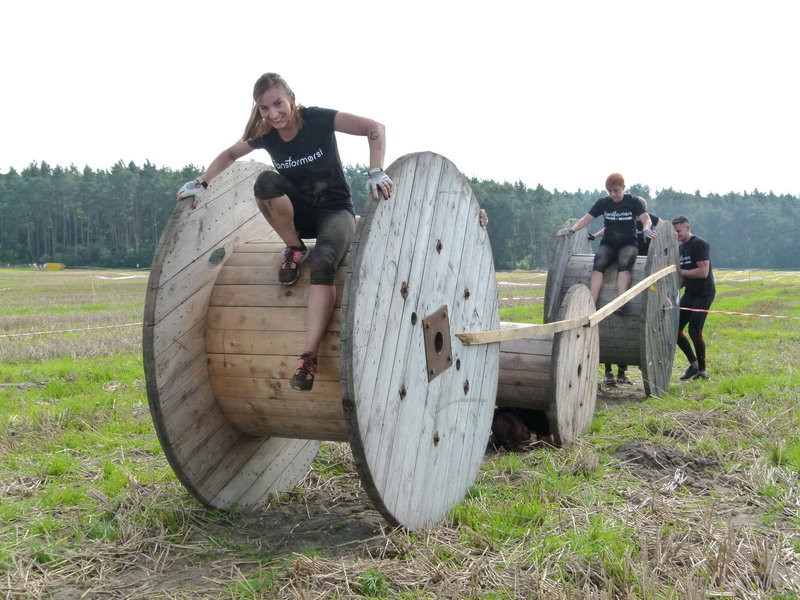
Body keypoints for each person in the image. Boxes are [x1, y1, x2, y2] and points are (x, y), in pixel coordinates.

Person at [176, 72, 393, 391]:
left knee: (324, 265)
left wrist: (376, 170)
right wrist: (202, 182)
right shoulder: (265, 133)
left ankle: (308, 356)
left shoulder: (317, 119)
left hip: (335, 212)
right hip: (300, 214)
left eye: (278, 103)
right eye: (264, 108)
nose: (273, 114)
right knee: (266, 182)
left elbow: (375, 129)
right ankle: (294, 247)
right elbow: (230, 154)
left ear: (291, 97)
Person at [556, 173, 657, 311]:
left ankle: (621, 302)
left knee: (624, 264)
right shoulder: (603, 203)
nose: (613, 194)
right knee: (598, 264)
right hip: (608, 244)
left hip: (628, 244)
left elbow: (647, 219)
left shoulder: (633, 202)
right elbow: (585, 219)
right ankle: (591, 303)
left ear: (623, 187)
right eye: (610, 191)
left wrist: (646, 229)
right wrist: (571, 230)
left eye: (616, 191)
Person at [589, 205, 661, 385]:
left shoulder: (649, 218)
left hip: (641, 265)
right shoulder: (622, 218)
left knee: (627, 322)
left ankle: (622, 372)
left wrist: (660, 237)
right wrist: (594, 236)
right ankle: (609, 372)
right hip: (621, 261)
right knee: (610, 324)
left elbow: (662, 228)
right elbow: (607, 229)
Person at [672, 215, 715, 381]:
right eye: (674, 232)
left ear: (688, 228)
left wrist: (678, 272)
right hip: (690, 293)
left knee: (694, 331)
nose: (677, 235)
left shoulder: (699, 244)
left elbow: (703, 272)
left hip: (704, 293)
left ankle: (703, 372)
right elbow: (683, 277)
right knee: (675, 331)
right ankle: (694, 365)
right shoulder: (681, 248)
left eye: (679, 231)